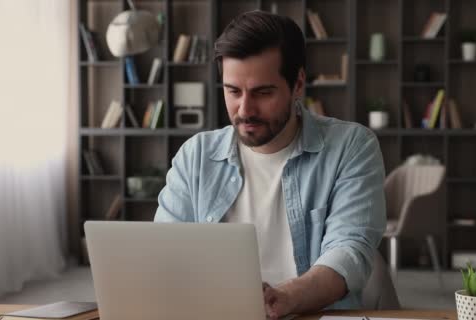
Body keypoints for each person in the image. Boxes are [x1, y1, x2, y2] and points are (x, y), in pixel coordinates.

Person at [154, 10, 386, 319]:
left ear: (298, 83)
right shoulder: (195, 156)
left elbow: (350, 251)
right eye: (233, 91)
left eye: (263, 93)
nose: (245, 109)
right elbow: (163, 254)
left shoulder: (351, 147)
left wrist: (286, 297)